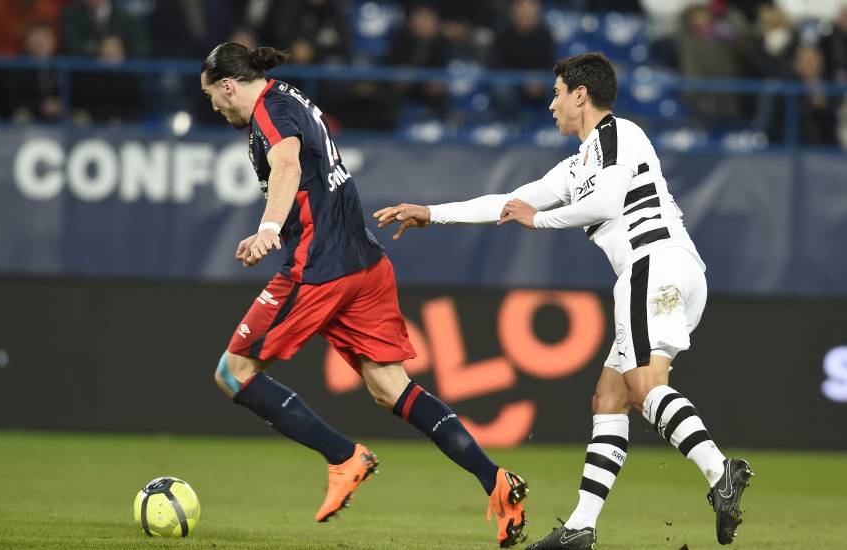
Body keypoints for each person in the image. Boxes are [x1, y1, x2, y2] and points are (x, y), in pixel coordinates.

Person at [374, 52, 753, 549]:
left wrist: (543, 220)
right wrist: (432, 213)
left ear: (581, 95)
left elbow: (605, 204)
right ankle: (580, 526)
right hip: (672, 270)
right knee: (611, 397)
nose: (551, 104)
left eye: (556, 93)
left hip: (651, 264)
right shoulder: (579, 164)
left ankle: (719, 470)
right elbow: (508, 202)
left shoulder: (617, 133)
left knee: (643, 387)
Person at [199, 42, 529, 547]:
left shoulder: (270, 110)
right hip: (364, 264)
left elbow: (286, 166)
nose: (214, 107)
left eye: (212, 97)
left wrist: (268, 227)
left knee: (233, 371)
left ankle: (343, 456)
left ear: (227, 85)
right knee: (388, 386)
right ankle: (496, 481)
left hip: (320, 266)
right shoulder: (290, 98)